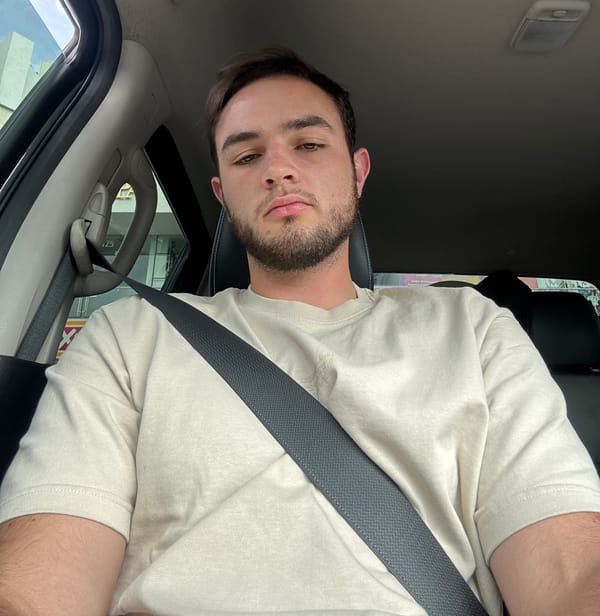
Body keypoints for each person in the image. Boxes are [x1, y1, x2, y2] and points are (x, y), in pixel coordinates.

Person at [0, 47, 599, 616]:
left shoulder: (474, 330)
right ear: (222, 196)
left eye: (309, 144)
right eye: (244, 156)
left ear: (358, 172)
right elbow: (38, 581)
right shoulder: (131, 337)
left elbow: (569, 570)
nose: (278, 170)